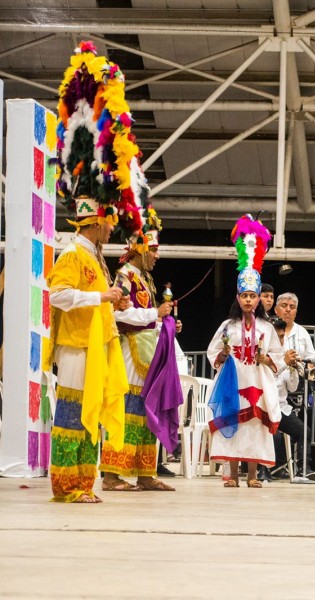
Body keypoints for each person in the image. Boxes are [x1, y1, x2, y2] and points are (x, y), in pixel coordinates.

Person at [47, 41, 140, 503]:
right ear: (95, 222)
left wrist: (111, 300)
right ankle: (67, 484)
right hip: (75, 346)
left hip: (95, 343)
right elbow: (57, 296)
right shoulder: (73, 256)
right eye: (108, 220)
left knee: (91, 409)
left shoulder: (96, 259)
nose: (113, 224)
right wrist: (100, 299)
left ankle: (84, 482)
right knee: (71, 411)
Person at [100, 209, 179, 492]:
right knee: (127, 410)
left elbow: (147, 316)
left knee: (147, 411)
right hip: (131, 353)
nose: (157, 256)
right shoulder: (124, 277)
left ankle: (145, 473)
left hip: (148, 353)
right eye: (154, 250)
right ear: (138, 248)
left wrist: (164, 323)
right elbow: (117, 314)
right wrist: (153, 316)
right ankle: (111, 475)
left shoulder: (144, 278)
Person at [206, 215, 285, 488]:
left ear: (258, 299)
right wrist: (224, 354)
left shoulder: (267, 327)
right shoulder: (228, 325)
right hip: (233, 377)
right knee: (233, 421)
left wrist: (268, 360)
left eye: (253, 296)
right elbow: (212, 351)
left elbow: (278, 355)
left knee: (254, 424)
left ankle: (252, 474)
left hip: (257, 378)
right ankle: (233, 474)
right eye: (245, 296)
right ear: (238, 298)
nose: (249, 300)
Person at [269, 316, 315, 481]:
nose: (281, 341)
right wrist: (283, 363)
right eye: (277, 337)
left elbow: (293, 388)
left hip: (280, 408)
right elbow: (267, 377)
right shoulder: (262, 356)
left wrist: (294, 370)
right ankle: (264, 471)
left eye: (282, 337)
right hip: (263, 409)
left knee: (304, 431)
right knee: (272, 435)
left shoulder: (284, 355)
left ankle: (304, 468)